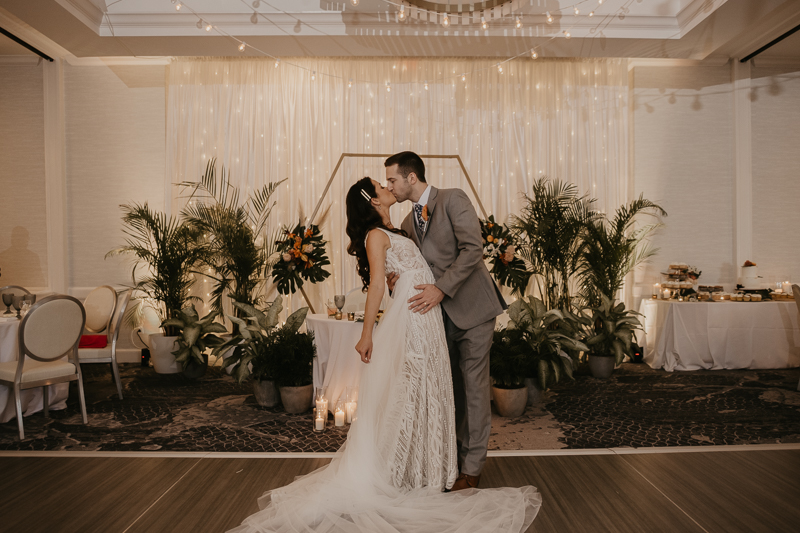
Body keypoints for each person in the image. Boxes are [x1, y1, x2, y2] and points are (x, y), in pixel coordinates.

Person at [228, 177, 540, 533]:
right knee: (412, 390)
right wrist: (366, 335)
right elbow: (377, 283)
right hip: (414, 319)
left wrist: (401, 278)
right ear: (373, 201)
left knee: (431, 390)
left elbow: (422, 266)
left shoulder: (402, 228)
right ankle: (406, 470)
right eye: (381, 184)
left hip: (431, 317)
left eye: (389, 179)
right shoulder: (376, 235)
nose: (388, 186)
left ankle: (431, 465)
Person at [384, 151, 505, 491]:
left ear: (411, 178)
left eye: (392, 179)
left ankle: (472, 469)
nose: (389, 186)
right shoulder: (408, 224)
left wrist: (440, 288)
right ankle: (449, 463)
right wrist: (398, 283)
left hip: (474, 312)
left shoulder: (453, 198)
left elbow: (473, 249)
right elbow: (415, 270)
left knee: (475, 390)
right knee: (451, 392)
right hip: (437, 320)